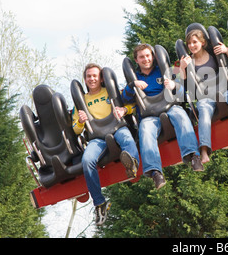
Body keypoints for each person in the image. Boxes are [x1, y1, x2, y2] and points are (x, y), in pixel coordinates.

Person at [121, 43, 202, 189]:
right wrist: (133, 84)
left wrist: (174, 85)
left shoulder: (164, 71)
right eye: (141, 57)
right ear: (136, 60)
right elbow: (125, 99)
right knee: (145, 130)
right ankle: (155, 173)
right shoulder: (136, 77)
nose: (146, 59)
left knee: (181, 115)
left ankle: (193, 156)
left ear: (152, 56)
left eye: (148, 55)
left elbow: (182, 92)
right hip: (150, 115)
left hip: (170, 107)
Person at [72, 63, 139, 226]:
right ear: (85, 79)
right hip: (97, 137)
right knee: (87, 160)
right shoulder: (81, 102)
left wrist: (125, 110)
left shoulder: (112, 92)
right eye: (89, 76)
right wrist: (80, 122)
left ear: (101, 78)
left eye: (95, 75)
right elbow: (75, 130)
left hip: (117, 128)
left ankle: (132, 164)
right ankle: (100, 203)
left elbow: (133, 106)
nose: (92, 79)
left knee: (127, 140)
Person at [179, 29, 228, 163]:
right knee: (203, 110)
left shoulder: (213, 53)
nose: (191, 46)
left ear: (202, 42)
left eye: (194, 42)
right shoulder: (189, 61)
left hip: (223, 88)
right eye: (189, 43)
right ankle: (204, 150)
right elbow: (186, 85)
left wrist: (227, 51)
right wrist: (182, 68)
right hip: (205, 95)